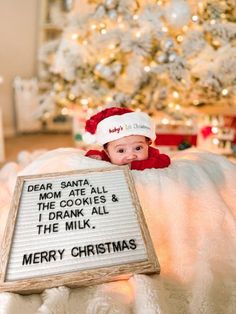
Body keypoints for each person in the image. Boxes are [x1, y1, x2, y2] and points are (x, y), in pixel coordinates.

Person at [84, 107, 171, 170]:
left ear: (148, 144)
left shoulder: (151, 153)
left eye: (138, 148)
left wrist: (133, 166)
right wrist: (95, 155)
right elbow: (96, 155)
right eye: (121, 150)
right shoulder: (107, 156)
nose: (131, 156)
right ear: (107, 152)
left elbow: (164, 160)